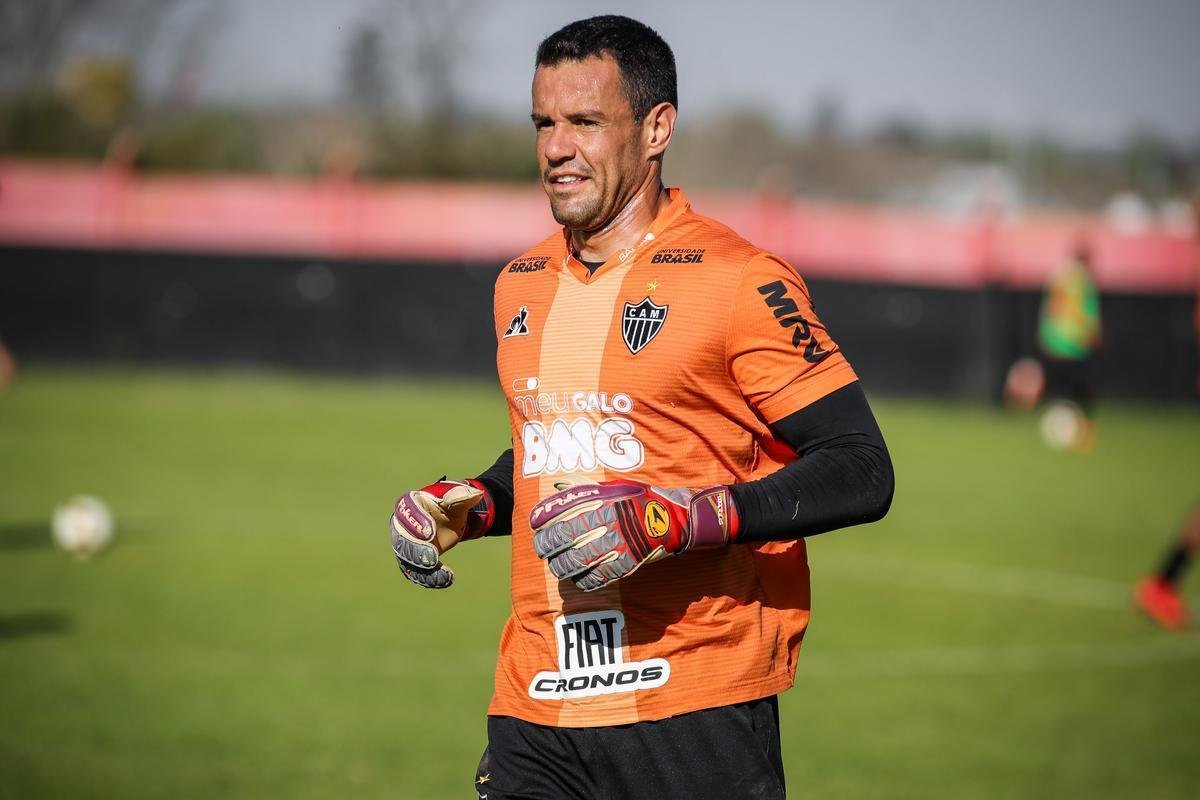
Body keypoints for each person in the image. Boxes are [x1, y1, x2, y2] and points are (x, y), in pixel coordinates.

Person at [388, 16, 894, 800]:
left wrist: (675, 518)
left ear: (657, 128)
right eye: (544, 124)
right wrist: (475, 505)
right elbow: (558, 449)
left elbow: (862, 470)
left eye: (585, 122)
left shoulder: (740, 279)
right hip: (537, 702)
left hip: (693, 705)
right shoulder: (519, 284)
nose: (557, 148)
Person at [1036, 238, 1102, 450]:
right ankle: (1080, 432)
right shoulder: (1083, 279)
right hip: (1076, 343)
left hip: (1057, 342)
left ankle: (1064, 429)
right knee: (1081, 391)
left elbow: (1049, 309)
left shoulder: (1060, 276)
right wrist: (1093, 333)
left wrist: (1045, 334)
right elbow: (1088, 312)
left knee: (1062, 391)